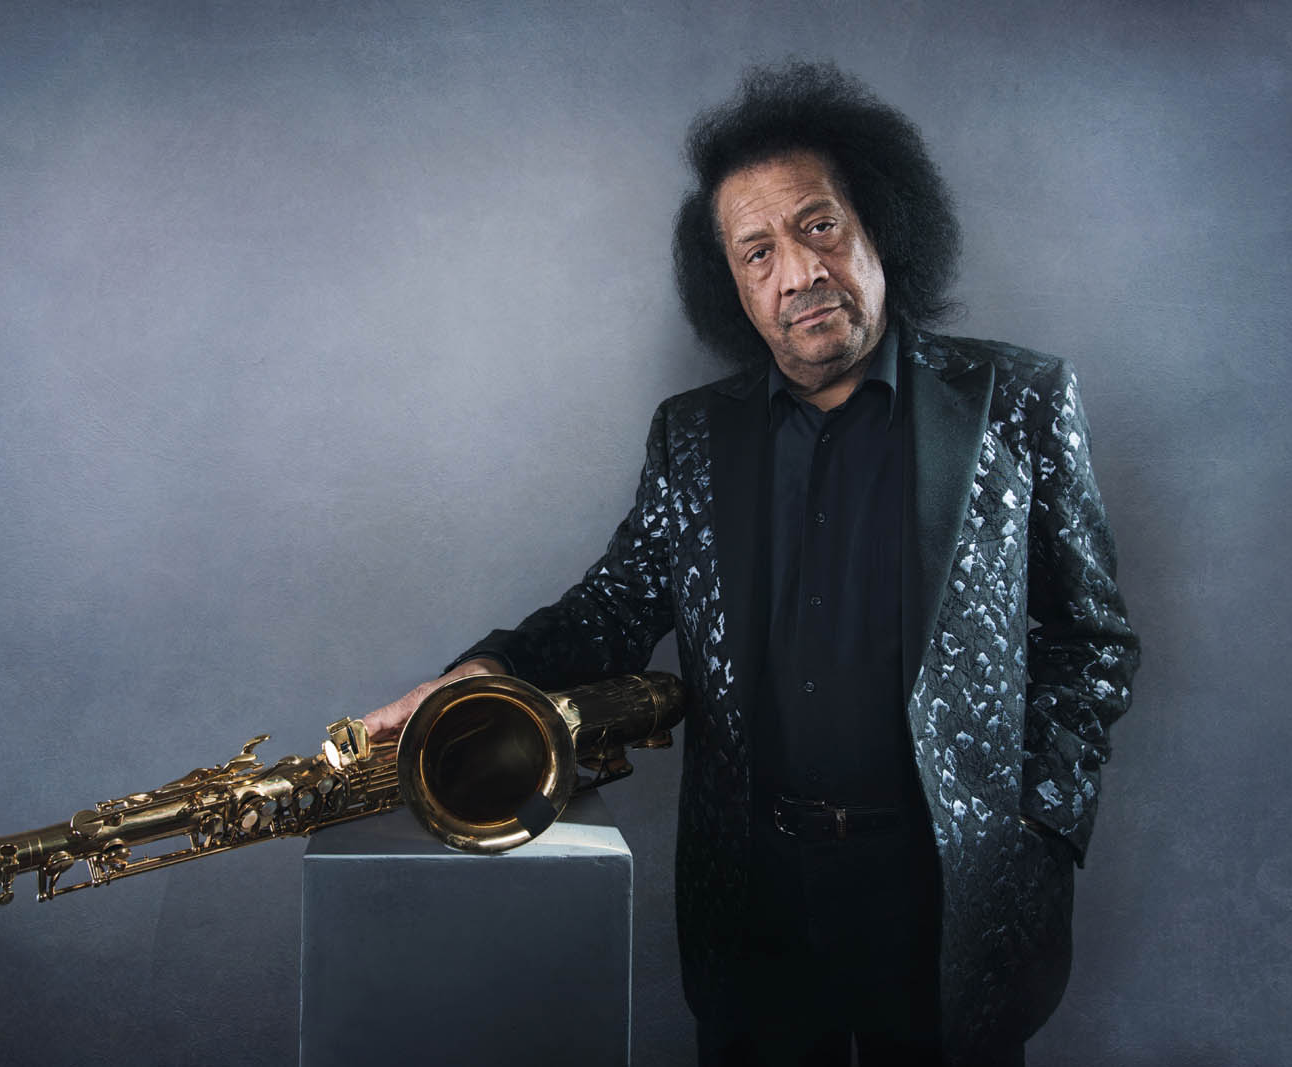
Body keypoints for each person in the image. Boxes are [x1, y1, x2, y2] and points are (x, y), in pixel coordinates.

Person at [365, 60, 1138, 1066]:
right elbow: (613, 605)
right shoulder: (690, 435)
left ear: (877, 227)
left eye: (820, 226)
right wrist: (487, 671)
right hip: (755, 901)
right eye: (757, 251)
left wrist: (1039, 820)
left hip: (953, 890)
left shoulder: (1018, 401)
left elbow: (1091, 639)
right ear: (732, 284)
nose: (799, 272)